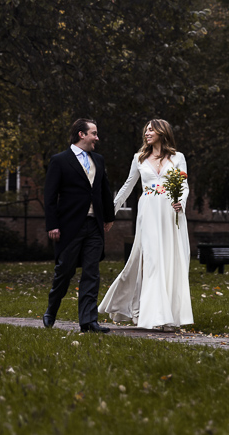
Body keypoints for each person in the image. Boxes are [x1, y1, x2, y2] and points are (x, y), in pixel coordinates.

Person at [99, 119, 193, 331]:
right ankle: (154, 316)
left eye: (151, 130)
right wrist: (110, 213)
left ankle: (168, 316)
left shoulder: (178, 158)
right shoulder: (139, 158)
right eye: (146, 130)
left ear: (162, 132)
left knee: (170, 262)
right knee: (152, 261)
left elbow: (184, 185)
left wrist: (181, 202)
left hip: (171, 213)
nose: (147, 133)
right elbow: (127, 187)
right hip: (149, 213)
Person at [43, 118, 115, 333]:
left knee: (92, 273)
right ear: (81, 134)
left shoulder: (98, 160)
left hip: (94, 226)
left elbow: (104, 190)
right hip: (69, 227)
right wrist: (52, 225)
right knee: (64, 272)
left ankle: (88, 321)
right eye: (94, 133)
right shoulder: (60, 161)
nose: (97, 138)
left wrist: (109, 217)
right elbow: (49, 196)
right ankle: (51, 311)